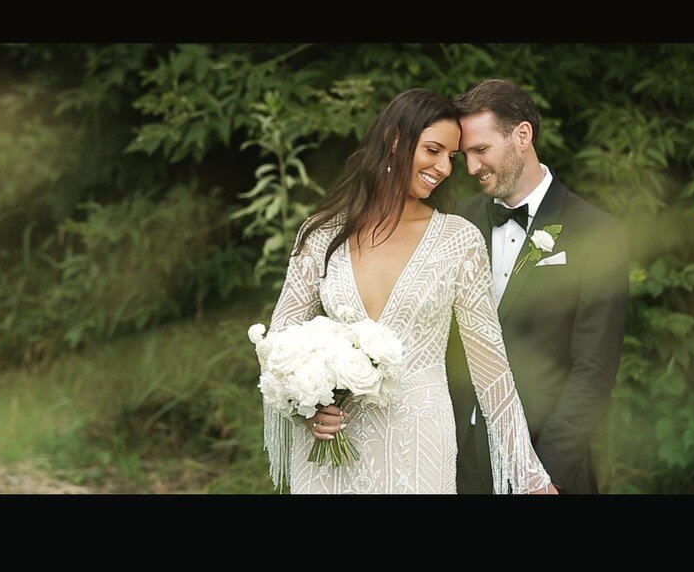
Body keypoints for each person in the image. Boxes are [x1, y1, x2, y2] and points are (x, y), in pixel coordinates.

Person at [261, 88, 557, 494]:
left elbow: (491, 371)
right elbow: (276, 344)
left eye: (450, 158)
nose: (443, 168)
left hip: (417, 446)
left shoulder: (458, 241)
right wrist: (305, 409)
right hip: (327, 448)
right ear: (395, 141)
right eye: (433, 150)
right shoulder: (321, 234)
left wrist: (527, 477)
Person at [446, 78, 629, 494]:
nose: (471, 167)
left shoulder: (597, 232)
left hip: (542, 458)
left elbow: (593, 369)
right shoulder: (458, 223)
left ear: (522, 136)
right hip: (454, 456)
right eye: (465, 155)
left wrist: (546, 475)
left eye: (481, 150)